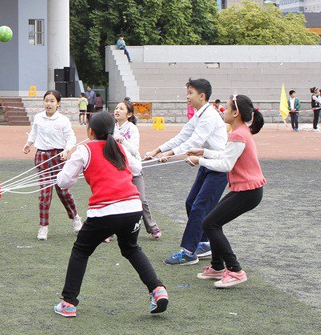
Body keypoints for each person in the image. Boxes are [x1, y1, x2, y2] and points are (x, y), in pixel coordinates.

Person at [54, 111, 168, 317]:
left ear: (90, 131)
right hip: (133, 209)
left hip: (104, 211)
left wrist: (71, 166)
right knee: (131, 248)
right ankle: (157, 289)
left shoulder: (84, 150)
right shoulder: (119, 148)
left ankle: (68, 302)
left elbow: (63, 182)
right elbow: (136, 168)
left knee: (81, 251)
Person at [185, 95, 266, 288]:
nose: (223, 111)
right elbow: (226, 155)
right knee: (210, 222)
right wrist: (204, 152)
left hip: (248, 192)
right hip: (247, 190)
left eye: (227, 108)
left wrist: (200, 160)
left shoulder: (239, 134)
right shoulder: (239, 131)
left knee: (210, 223)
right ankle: (217, 267)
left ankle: (235, 270)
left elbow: (226, 164)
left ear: (236, 113)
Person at [145, 78, 228, 266]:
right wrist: (157, 150)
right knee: (191, 203)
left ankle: (189, 252)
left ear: (202, 96)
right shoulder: (199, 114)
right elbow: (182, 136)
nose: (187, 97)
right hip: (206, 164)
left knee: (199, 207)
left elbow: (194, 142)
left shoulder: (209, 116)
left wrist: (169, 154)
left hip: (219, 167)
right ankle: (204, 243)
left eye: (190, 93)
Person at [23, 90, 82, 241]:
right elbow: (33, 133)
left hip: (58, 158)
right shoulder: (38, 117)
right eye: (46, 101)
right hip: (42, 157)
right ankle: (43, 226)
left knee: (63, 192)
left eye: (52, 101)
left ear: (58, 104)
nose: (48, 104)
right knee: (44, 194)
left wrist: (66, 150)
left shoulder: (63, 120)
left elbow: (71, 138)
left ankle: (75, 217)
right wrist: (29, 143)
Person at [113, 99, 161, 239]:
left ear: (129, 114)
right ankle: (109, 231)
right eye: (116, 108)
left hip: (134, 169)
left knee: (141, 200)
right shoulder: (111, 128)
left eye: (121, 109)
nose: (117, 110)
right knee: (114, 200)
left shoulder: (132, 128)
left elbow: (135, 150)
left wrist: (122, 140)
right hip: (117, 171)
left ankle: (152, 227)